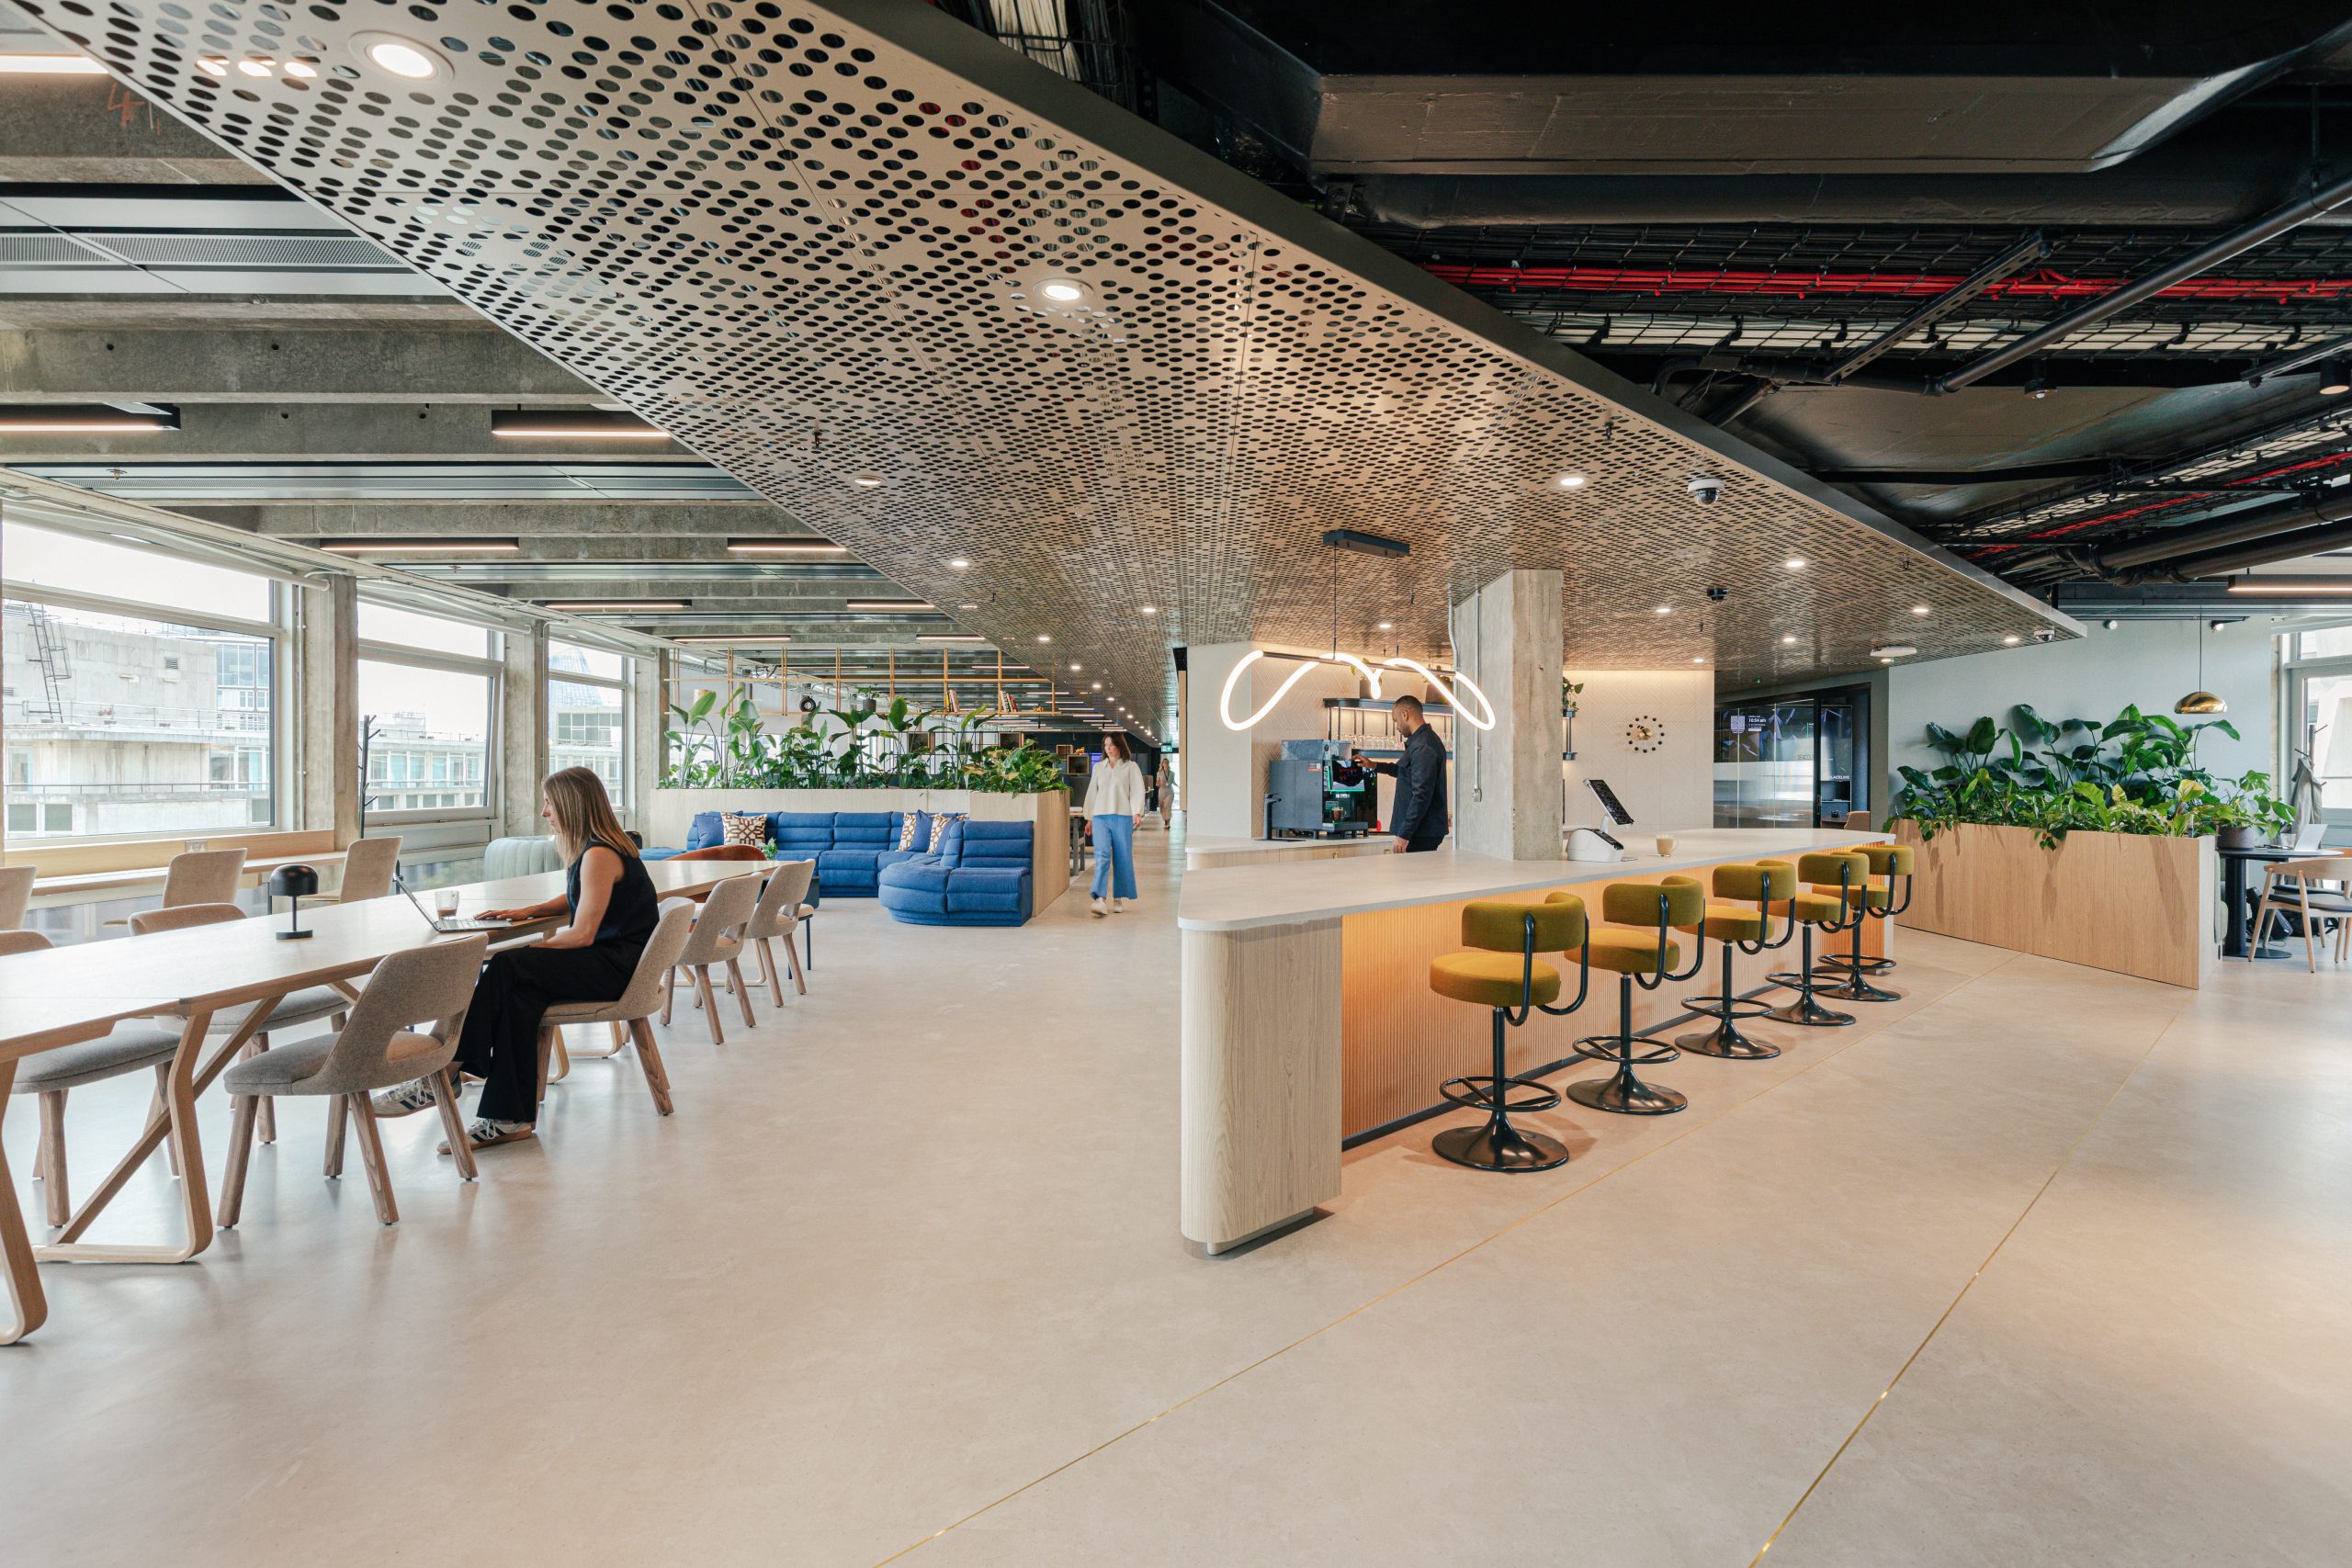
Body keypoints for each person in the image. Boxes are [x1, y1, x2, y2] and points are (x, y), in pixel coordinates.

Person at [372, 766, 659, 1150]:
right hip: (621, 962)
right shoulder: (601, 848)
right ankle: (510, 1119)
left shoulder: (599, 854)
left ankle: (442, 1072)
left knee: (506, 966)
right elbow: (582, 896)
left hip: (617, 968)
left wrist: (522, 953)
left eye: (550, 803)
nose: (545, 812)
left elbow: (582, 934)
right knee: (520, 998)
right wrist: (529, 912)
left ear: (573, 806)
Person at [1353, 694, 1449, 853]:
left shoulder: (1423, 746)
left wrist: (1404, 834)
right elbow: (1404, 771)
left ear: (1405, 714)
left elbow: (1421, 794)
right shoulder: (1421, 741)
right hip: (1420, 832)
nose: (1397, 727)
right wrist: (1374, 765)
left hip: (1420, 833)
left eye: (1396, 720)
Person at [1086, 732, 1146, 915]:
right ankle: (1100, 898)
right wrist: (1089, 818)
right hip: (1100, 817)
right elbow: (1092, 792)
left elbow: (1137, 790)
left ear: (1119, 746)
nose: (1108, 748)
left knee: (1122, 857)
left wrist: (1137, 812)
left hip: (1123, 817)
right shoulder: (1098, 767)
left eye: (1111, 744)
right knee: (1102, 856)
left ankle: (1118, 897)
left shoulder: (1130, 767)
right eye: (1106, 745)